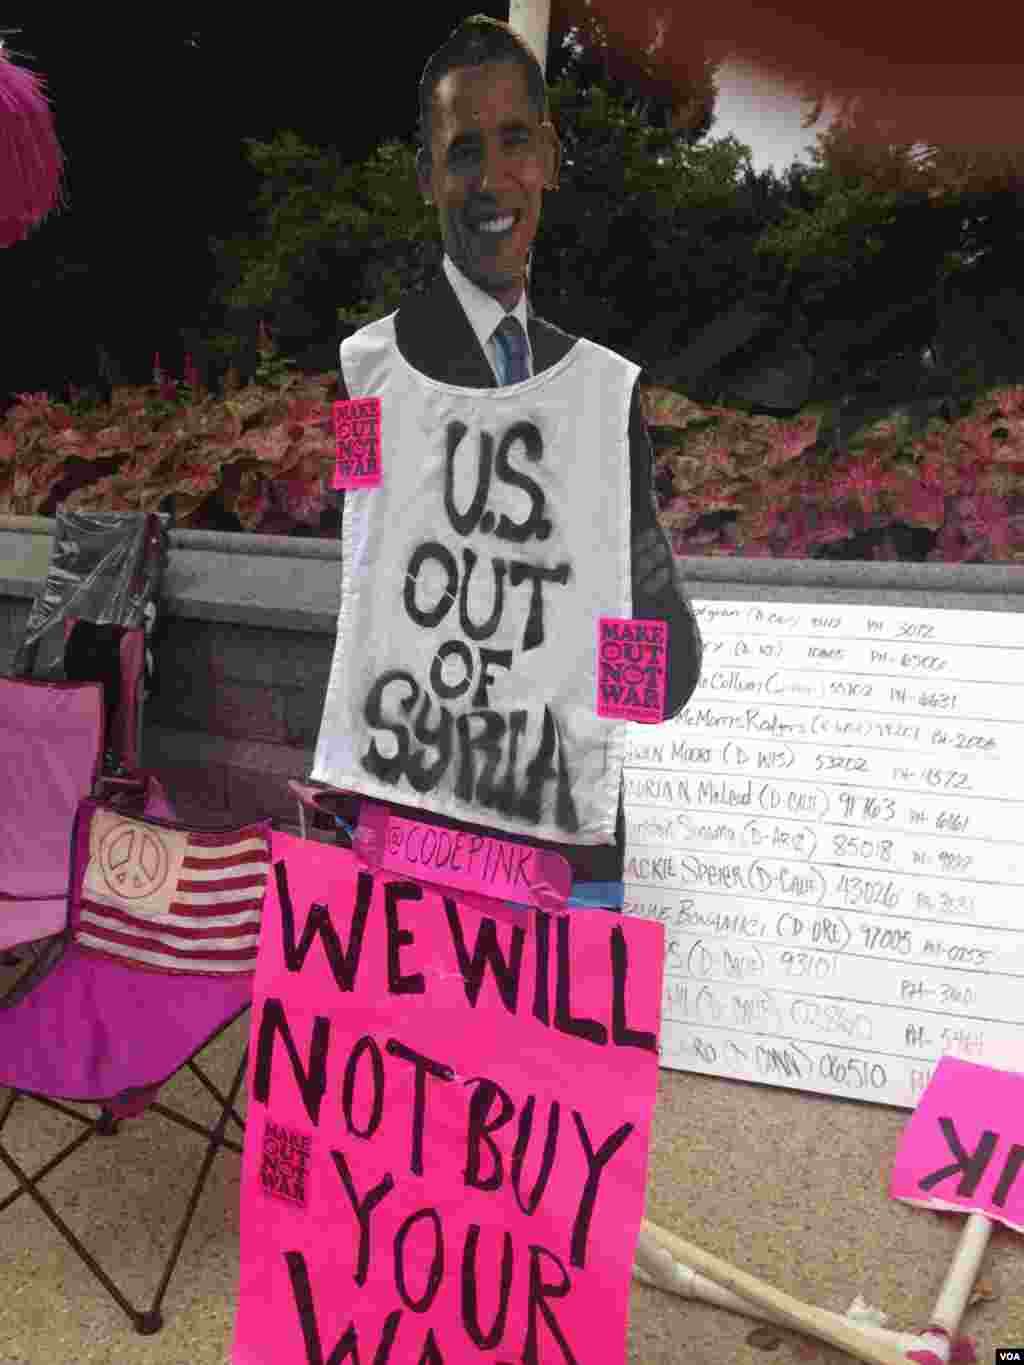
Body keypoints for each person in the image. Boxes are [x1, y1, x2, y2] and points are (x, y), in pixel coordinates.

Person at [311, 14, 702, 909]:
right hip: (413, 837)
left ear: (551, 160)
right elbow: (369, 577)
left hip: (555, 855)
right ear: (426, 178)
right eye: (463, 152)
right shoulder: (366, 380)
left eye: (515, 141)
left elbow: (648, 671)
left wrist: (631, 619)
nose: (493, 180)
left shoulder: (606, 393)